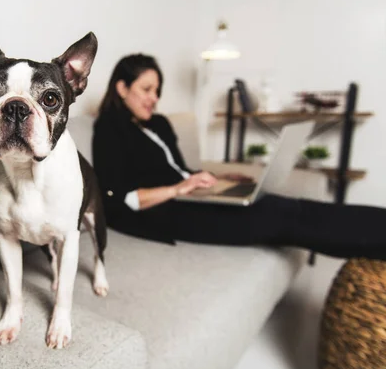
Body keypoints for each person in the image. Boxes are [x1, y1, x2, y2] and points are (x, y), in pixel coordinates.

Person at [92, 53, 386, 261]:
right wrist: (178, 190)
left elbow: (179, 170)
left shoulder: (159, 123)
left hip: (192, 196)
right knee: (283, 220)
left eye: (157, 90)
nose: (154, 98)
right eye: (146, 89)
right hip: (168, 212)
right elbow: (119, 198)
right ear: (122, 87)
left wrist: (217, 180)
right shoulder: (108, 129)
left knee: (291, 206)